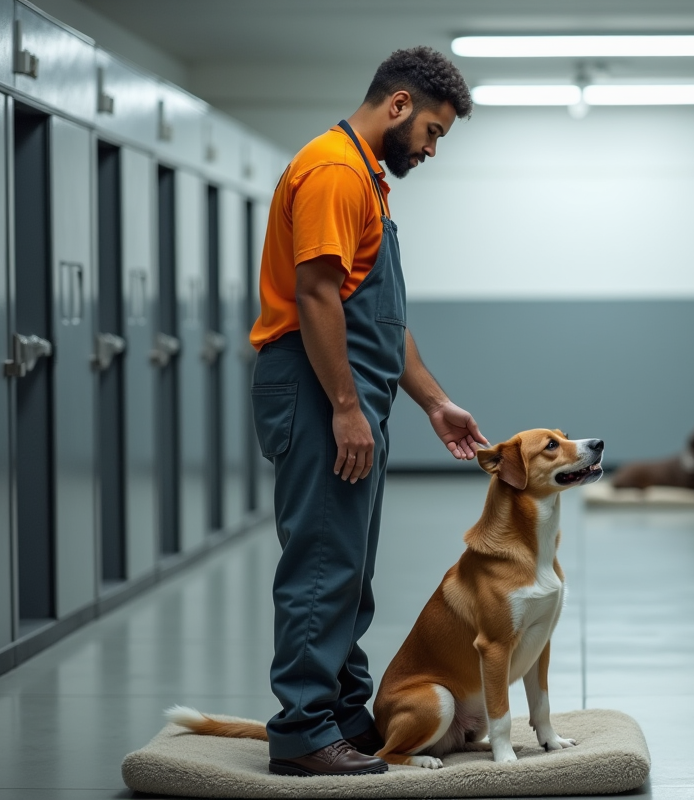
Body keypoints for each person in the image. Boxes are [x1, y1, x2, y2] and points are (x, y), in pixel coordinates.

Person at [248, 47, 485, 777]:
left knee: (347, 567)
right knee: (322, 565)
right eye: (434, 132)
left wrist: (434, 402)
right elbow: (317, 296)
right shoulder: (333, 170)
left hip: (351, 397)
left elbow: (378, 318)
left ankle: (346, 715)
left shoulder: (368, 183)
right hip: (321, 392)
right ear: (400, 106)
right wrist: (347, 409)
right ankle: (304, 731)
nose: (434, 149)